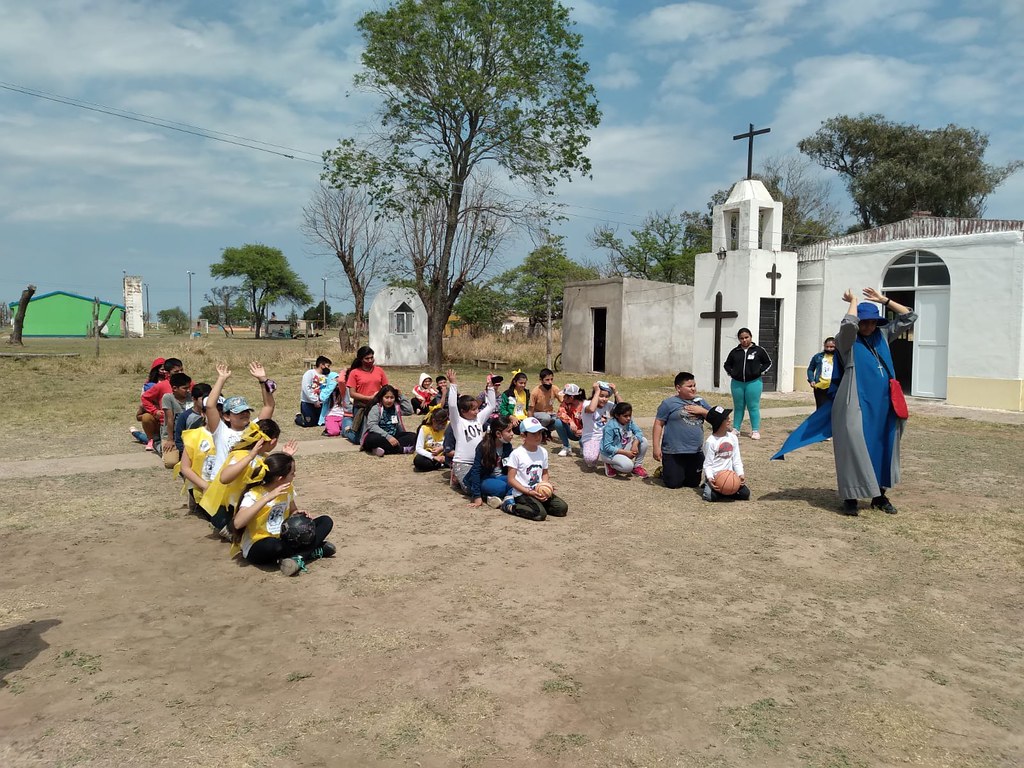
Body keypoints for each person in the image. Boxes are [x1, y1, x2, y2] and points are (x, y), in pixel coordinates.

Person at [773, 288, 917, 516]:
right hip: (855, 404)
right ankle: (850, 497)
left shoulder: (883, 335)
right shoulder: (846, 341)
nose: (868, 326)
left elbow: (909, 317)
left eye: (872, 322)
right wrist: (854, 302)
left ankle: (879, 496)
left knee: (882, 448)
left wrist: (884, 300)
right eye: (864, 322)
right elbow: (848, 324)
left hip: (883, 406)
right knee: (853, 448)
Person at [232, 452, 335, 576]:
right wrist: (267, 498)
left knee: (325, 521)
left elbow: (292, 511)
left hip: (284, 538)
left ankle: (299, 557)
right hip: (260, 545)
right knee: (274, 546)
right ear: (280, 478)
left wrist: (299, 515)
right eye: (292, 473)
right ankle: (311, 551)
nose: (294, 475)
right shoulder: (254, 494)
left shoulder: (287, 488)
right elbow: (238, 523)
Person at [199, 420, 286, 537]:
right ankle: (229, 528)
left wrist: (286, 457)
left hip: (244, 505)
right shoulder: (241, 455)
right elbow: (224, 478)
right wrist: (250, 457)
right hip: (228, 510)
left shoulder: (264, 458)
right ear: (273, 441)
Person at [204, 361, 277, 484]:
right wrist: (221, 379)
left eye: (246, 411)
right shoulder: (220, 431)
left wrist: (262, 380)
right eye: (238, 412)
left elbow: (268, 406)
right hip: (221, 483)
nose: (245, 414)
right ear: (226, 416)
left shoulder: (255, 428)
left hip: (245, 482)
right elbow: (210, 406)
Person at [652, 372, 712, 489]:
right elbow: (658, 424)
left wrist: (702, 411)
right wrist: (656, 447)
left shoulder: (700, 402)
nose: (693, 389)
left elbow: (715, 418)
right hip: (674, 451)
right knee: (674, 484)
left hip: (695, 451)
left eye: (694, 385)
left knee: (692, 484)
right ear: (678, 388)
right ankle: (665, 470)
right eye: (689, 386)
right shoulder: (668, 403)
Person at [502, 417, 569, 521]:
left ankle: (537, 504)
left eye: (540, 433)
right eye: (534, 434)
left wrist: (545, 486)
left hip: (538, 490)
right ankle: (510, 506)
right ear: (523, 435)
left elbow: (545, 473)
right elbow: (511, 480)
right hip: (522, 493)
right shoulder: (516, 454)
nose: (538, 436)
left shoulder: (543, 452)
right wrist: (528, 492)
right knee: (540, 515)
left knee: (561, 509)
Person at [446, 368, 498, 494]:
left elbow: (491, 405)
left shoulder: (478, 419)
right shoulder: (457, 422)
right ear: (463, 411)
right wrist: (453, 384)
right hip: (462, 463)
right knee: (472, 490)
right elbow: (452, 406)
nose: (477, 411)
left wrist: (490, 387)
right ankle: (457, 477)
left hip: (479, 462)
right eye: (473, 409)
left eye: (477, 408)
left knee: (489, 484)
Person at [723, 328, 772, 439]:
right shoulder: (735, 352)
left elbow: (768, 362)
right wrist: (732, 373)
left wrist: (760, 371)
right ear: (739, 339)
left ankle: (755, 430)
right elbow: (727, 364)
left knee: (753, 406)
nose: (744, 340)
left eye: (746, 337)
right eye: (741, 338)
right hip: (737, 383)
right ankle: (736, 429)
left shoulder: (759, 350)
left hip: (754, 383)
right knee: (739, 406)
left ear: (751, 337)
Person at [702, 405, 750, 501]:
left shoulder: (732, 438)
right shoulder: (711, 442)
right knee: (711, 497)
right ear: (718, 422)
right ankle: (710, 485)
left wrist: (740, 474)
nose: (729, 420)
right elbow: (708, 464)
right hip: (716, 477)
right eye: (726, 418)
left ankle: (727, 490)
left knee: (745, 494)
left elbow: (736, 460)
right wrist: (711, 478)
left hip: (729, 475)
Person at [464, 416, 515, 508]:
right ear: (498, 434)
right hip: (484, 478)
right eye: (509, 431)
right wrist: (477, 496)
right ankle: (499, 497)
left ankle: (499, 498)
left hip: (500, 476)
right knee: (502, 488)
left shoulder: (507, 446)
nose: (512, 434)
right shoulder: (483, 447)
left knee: (517, 481)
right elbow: (476, 471)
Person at [138, 357, 184, 451]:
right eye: (176, 372)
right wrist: (154, 411)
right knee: (170, 460)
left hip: (184, 424)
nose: (180, 374)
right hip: (166, 425)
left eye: (181, 370)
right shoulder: (161, 385)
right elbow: (145, 398)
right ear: (167, 373)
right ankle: (155, 443)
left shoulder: (188, 382)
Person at [345, 346, 388, 440]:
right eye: (367, 358)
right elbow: (352, 393)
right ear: (361, 359)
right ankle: (347, 431)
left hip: (376, 406)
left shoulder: (379, 370)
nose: (370, 360)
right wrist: (368, 398)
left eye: (371, 357)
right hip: (361, 407)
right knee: (357, 439)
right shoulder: (354, 373)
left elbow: (386, 388)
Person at [361, 385, 416, 456]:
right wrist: (388, 437)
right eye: (386, 397)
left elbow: (409, 410)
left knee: (413, 436)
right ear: (381, 398)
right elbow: (372, 426)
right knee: (372, 439)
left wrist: (401, 395)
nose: (389, 400)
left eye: (392, 397)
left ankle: (380, 449)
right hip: (379, 436)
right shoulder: (376, 408)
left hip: (394, 435)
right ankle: (401, 449)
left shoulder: (396, 407)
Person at [600, 401, 649, 478]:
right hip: (610, 453)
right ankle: (610, 464)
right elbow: (607, 447)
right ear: (617, 415)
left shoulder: (629, 422)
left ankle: (637, 466)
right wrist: (626, 453)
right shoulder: (610, 427)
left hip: (622, 447)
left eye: (630, 415)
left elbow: (638, 432)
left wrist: (635, 444)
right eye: (625, 416)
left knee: (643, 441)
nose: (628, 418)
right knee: (628, 467)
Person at [580, 381, 619, 468]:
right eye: (601, 396)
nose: (604, 399)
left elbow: (623, 407)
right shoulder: (587, 403)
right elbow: (592, 409)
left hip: (606, 436)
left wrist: (615, 392)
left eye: (607, 397)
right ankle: (591, 449)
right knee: (590, 459)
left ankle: (607, 460)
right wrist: (597, 391)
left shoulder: (608, 405)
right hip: (592, 437)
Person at [158, 372, 192, 465]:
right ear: (174, 388)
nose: (188, 390)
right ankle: (157, 444)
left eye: (189, 387)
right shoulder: (168, 398)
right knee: (171, 463)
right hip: (172, 434)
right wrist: (170, 439)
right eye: (185, 388)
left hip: (187, 434)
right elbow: (170, 419)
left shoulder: (191, 397)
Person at [528, 368, 563, 438]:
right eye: (547, 380)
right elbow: (530, 409)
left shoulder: (555, 388)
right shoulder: (535, 392)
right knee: (546, 418)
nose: (550, 382)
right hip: (537, 413)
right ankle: (539, 433)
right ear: (541, 380)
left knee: (561, 419)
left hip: (550, 413)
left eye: (551, 379)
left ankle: (547, 431)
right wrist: (530, 424)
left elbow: (563, 400)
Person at [297, 356, 331, 427]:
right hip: (308, 403)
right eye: (327, 366)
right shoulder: (309, 373)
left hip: (322, 403)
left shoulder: (327, 376)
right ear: (322, 365)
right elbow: (306, 388)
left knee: (321, 422)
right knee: (309, 423)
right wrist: (314, 400)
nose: (329, 368)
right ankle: (299, 417)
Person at [807, 337, 838, 409]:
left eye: (832, 347)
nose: (829, 349)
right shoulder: (818, 357)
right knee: (820, 408)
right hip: (820, 387)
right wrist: (812, 380)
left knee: (833, 409)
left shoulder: (839, 358)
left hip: (834, 386)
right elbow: (810, 369)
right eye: (827, 347)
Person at [554, 383, 584, 457]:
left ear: (571, 397)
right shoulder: (565, 404)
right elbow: (560, 413)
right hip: (572, 432)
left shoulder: (586, 405)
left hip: (585, 434)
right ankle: (566, 447)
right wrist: (570, 421)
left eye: (565, 396)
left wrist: (584, 430)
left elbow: (593, 422)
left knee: (583, 442)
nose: (563, 398)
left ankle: (584, 447)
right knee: (558, 422)